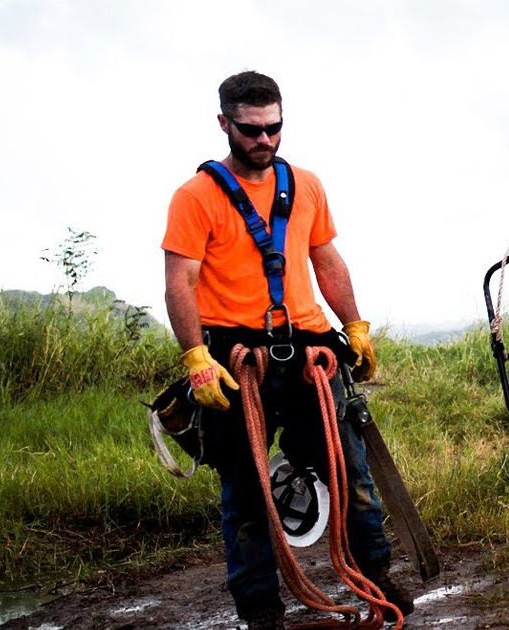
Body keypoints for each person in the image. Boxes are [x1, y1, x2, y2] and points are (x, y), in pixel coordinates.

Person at [161, 70, 414, 630]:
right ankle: (260, 612)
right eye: (251, 130)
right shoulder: (195, 197)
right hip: (235, 359)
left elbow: (325, 259)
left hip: (309, 355)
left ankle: (377, 582)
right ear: (224, 124)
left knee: (351, 474)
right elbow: (180, 283)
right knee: (247, 494)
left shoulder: (306, 185)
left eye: (274, 128)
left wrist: (355, 325)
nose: (265, 140)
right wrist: (196, 358)